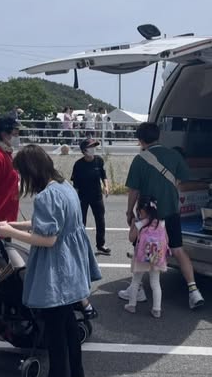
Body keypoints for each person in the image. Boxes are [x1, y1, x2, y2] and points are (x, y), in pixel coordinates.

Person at [0, 145, 101, 377]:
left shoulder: (45, 197)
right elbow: (47, 223)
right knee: (68, 324)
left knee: (55, 332)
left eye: (21, 174)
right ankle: (75, 375)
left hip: (56, 270)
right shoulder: (64, 188)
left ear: (31, 171)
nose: (21, 180)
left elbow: (48, 238)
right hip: (72, 267)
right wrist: (12, 224)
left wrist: (9, 233)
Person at [120, 122, 204, 310]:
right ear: (158, 136)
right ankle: (194, 291)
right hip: (171, 212)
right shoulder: (174, 155)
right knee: (178, 250)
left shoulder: (140, 159)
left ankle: (137, 289)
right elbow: (182, 179)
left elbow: (133, 190)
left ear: (140, 140)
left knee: (140, 250)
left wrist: (129, 211)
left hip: (148, 215)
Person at [124, 196, 168, 318]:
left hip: (141, 258)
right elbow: (166, 240)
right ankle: (157, 309)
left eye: (139, 211)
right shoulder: (161, 223)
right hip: (156, 257)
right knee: (155, 283)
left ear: (143, 211)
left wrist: (133, 225)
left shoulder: (140, 224)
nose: (139, 214)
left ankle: (132, 305)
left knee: (136, 281)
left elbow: (131, 238)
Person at [71, 138, 112, 255]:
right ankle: (80, 245)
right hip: (82, 197)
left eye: (94, 146)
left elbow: (104, 176)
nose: (93, 149)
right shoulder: (78, 164)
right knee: (81, 222)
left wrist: (106, 186)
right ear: (84, 150)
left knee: (100, 220)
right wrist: (74, 200)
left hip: (97, 195)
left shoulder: (99, 160)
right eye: (90, 147)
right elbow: (75, 185)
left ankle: (101, 245)